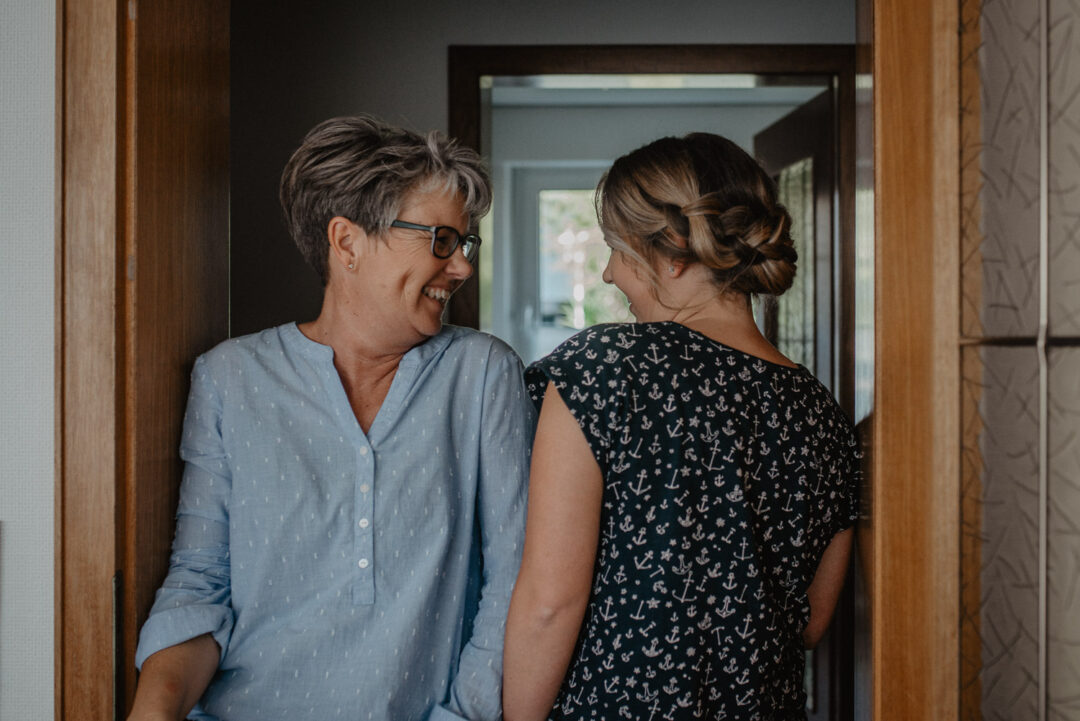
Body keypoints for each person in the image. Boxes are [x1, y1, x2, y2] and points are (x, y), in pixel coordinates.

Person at [128, 115, 534, 721]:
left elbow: (513, 582)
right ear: (346, 242)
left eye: (464, 244)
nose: (462, 268)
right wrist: (153, 710)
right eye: (441, 241)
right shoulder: (229, 377)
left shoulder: (481, 375)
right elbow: (199, 582)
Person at [502, 133, 859, 721]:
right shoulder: (822, 415)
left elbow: (550, 603)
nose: (611, 273)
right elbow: (812, 622)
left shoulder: (607, 370)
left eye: (617, 249)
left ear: (671, 254)